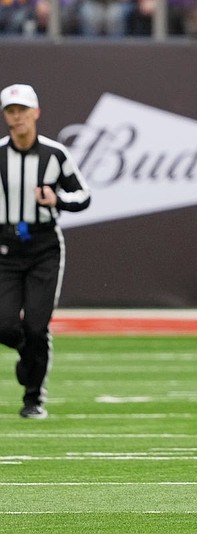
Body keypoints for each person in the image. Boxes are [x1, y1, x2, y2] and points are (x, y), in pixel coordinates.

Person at [0, 84, 91, 419]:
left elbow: (83, 196)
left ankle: (33, 398)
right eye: (11, 111)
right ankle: (28, 352)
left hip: (43, 247)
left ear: (35, 113)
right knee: (4, 324)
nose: (17, 117)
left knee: (38, 325)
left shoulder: (54, 154)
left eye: (22, 110)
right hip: (5, 247)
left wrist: (59, 201)